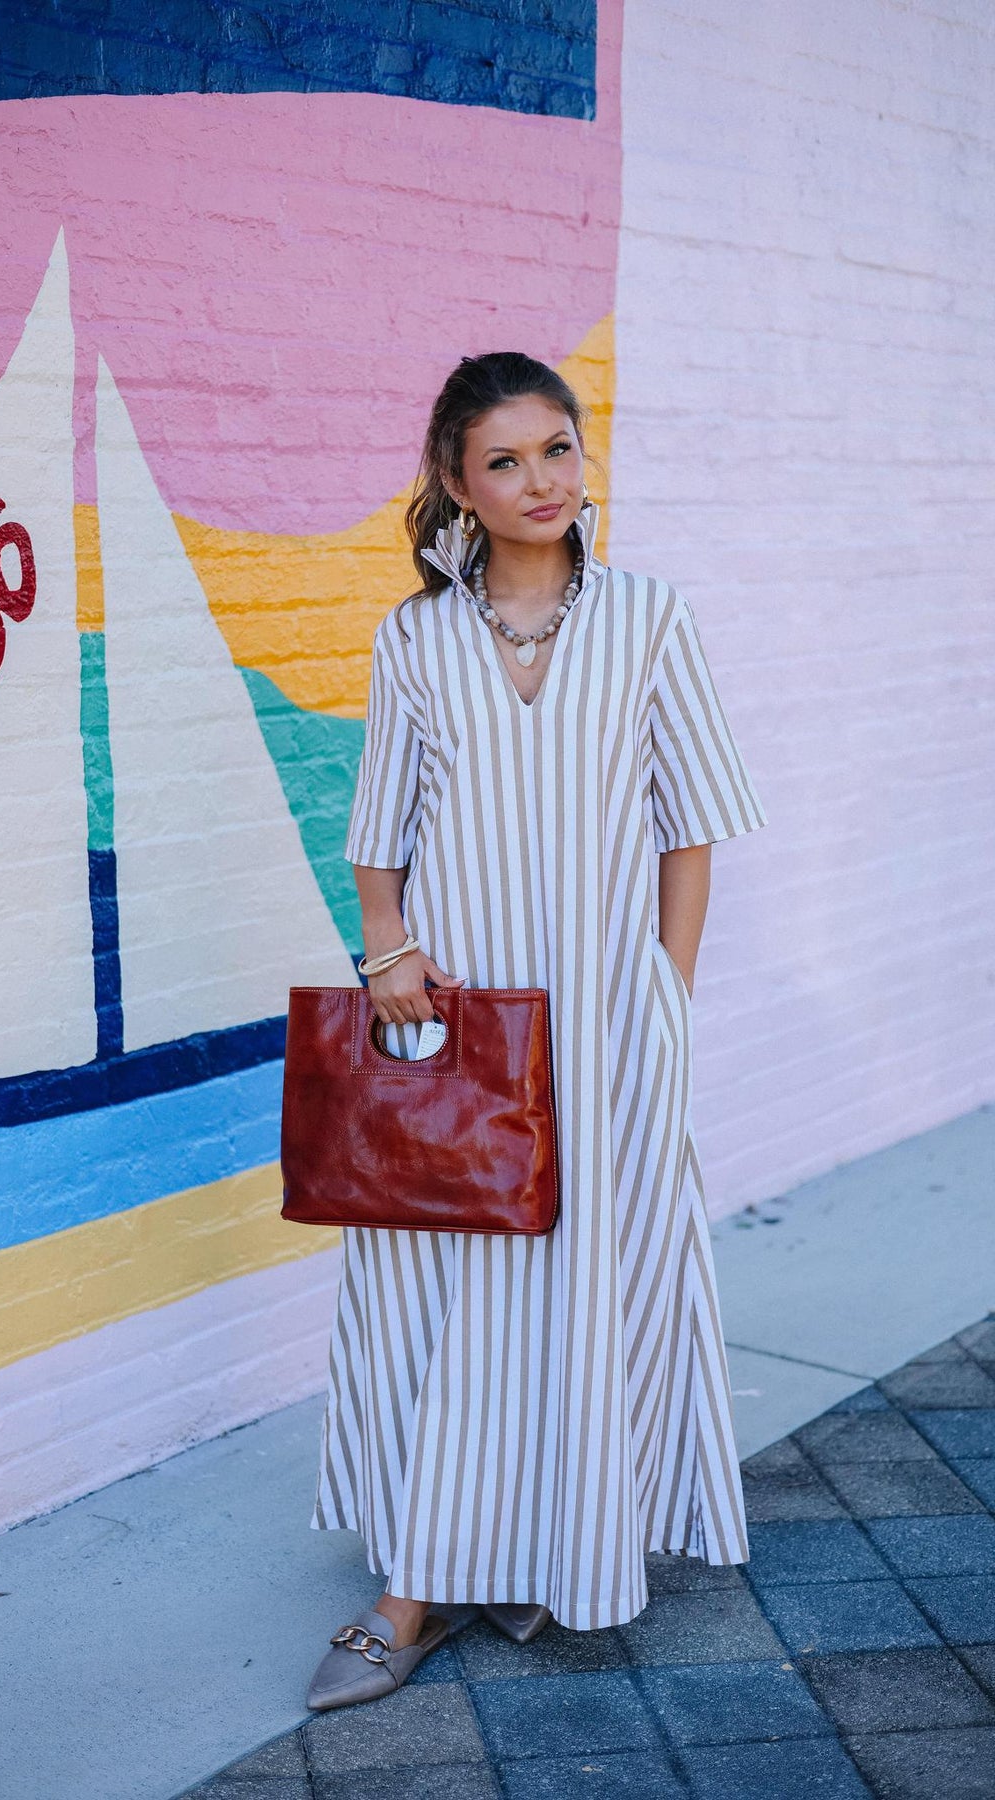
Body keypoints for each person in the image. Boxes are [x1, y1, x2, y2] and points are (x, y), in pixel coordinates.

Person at [305, 351, 767, 1710]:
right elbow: (380, 836)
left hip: (608, 1020)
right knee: (449, 1293)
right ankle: (420, 1582)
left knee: (572, 1290)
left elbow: (690, 833)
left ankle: (525, 1551)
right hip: (449, 1026)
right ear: (456, 484)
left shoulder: (650, 618)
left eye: (558, 450)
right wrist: (389, 954)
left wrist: (666, 1003)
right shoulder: (418, 637)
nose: (541, 481)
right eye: (504, 462)